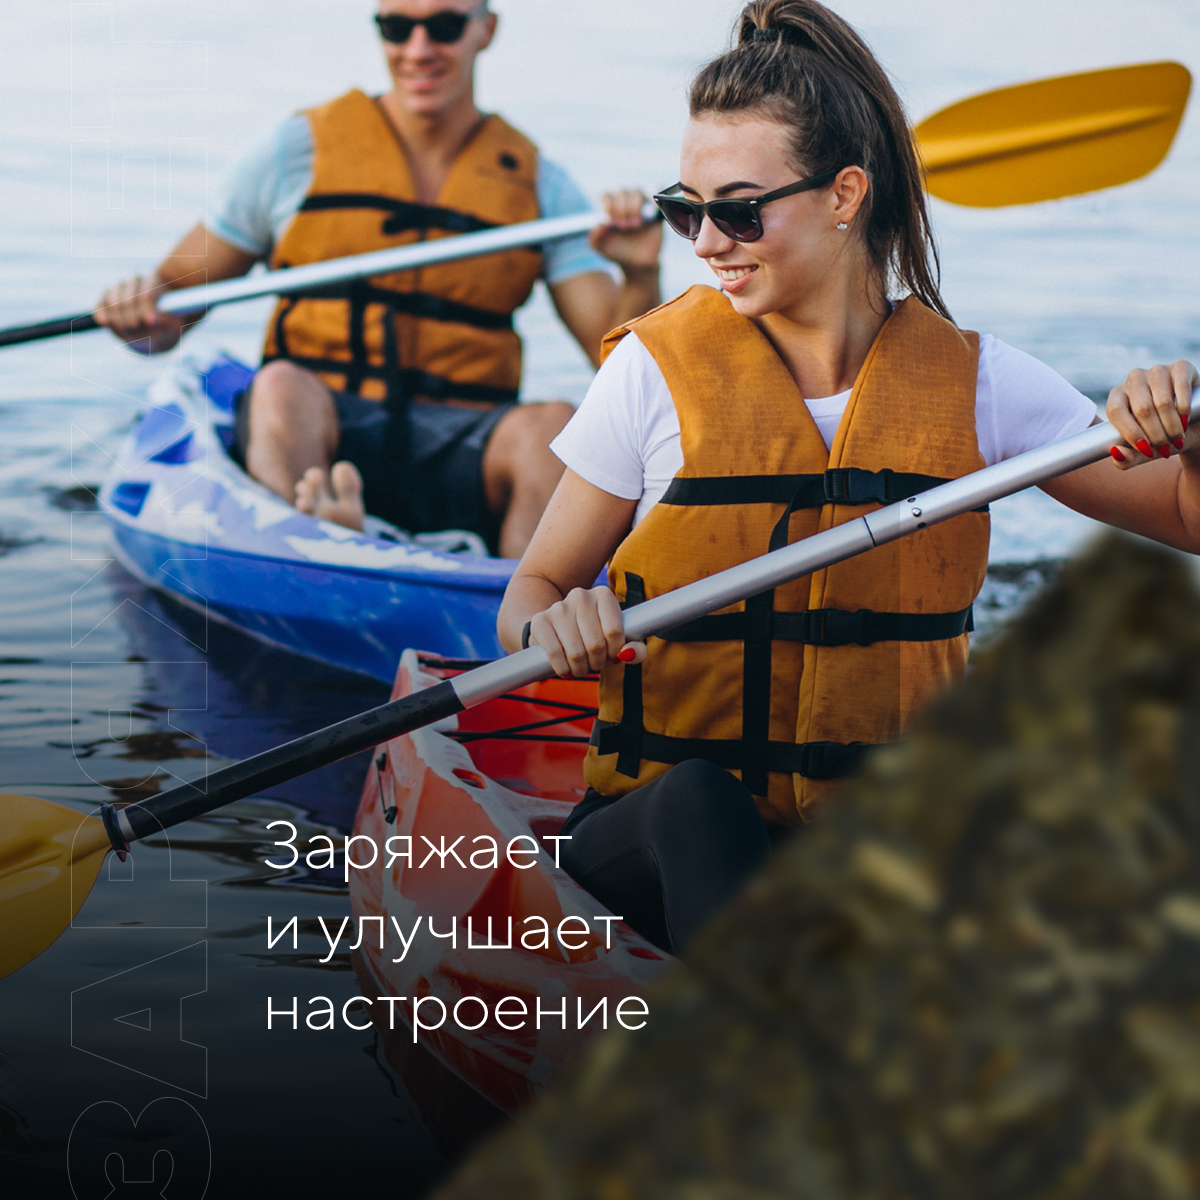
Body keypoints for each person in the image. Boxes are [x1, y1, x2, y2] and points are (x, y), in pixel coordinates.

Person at [497, 0, 1200, 953]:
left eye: (738, 211)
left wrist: (1184, 434)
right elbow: (533, 591)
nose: (704, 243)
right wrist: (552, 625)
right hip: (657, 843)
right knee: (701, 801)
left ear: (845, 195)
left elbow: (1186, 517)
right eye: (685, 210)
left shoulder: (979, 384)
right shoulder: (652, 373)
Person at [94, 0, 662, 557]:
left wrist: (639, 270)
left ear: (485, 30)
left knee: (552, 425)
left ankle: (522, 604)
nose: (418, 50)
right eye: (397, 27)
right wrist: (141, 313)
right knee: (278, 387)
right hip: (324, 427)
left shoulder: (540, 186)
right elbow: (171, 306)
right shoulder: (292, 154)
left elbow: (620, 369)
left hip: (463, 444)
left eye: (444, 26)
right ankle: (315, 547)